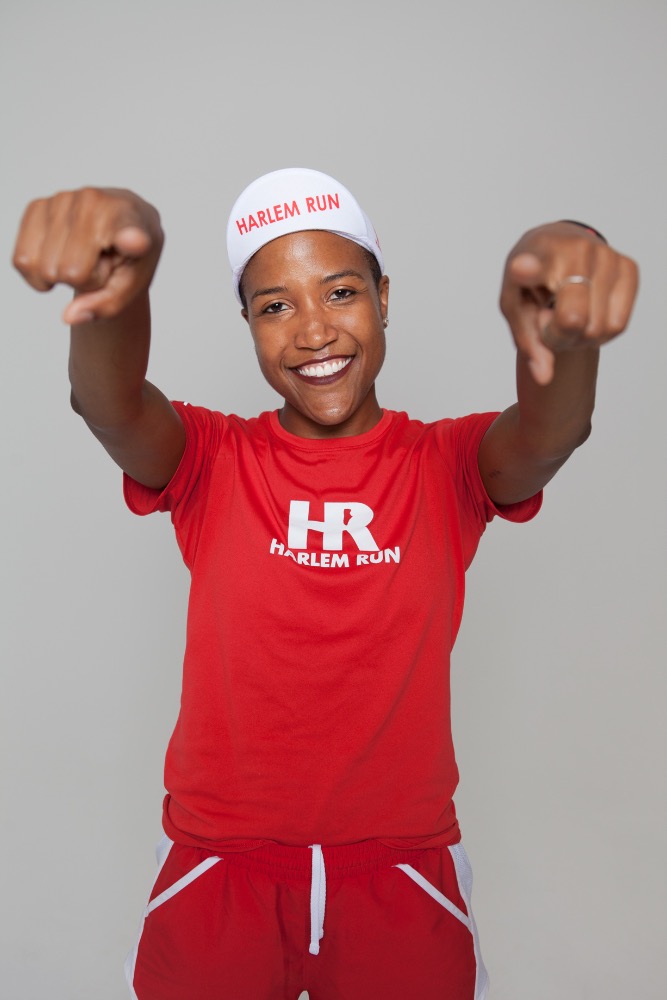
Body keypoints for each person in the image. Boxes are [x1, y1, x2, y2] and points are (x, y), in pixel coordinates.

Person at [13, 168, 638, 1000]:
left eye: (340, 292)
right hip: (219, 867)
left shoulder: (447, 463)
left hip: (400, 872)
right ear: (247, 324)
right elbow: (108, 402)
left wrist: (564, 291)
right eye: (274, 306)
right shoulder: (210, 458)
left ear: (384, 297)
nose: (313, 330)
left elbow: (550, 433)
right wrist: (116, 271)